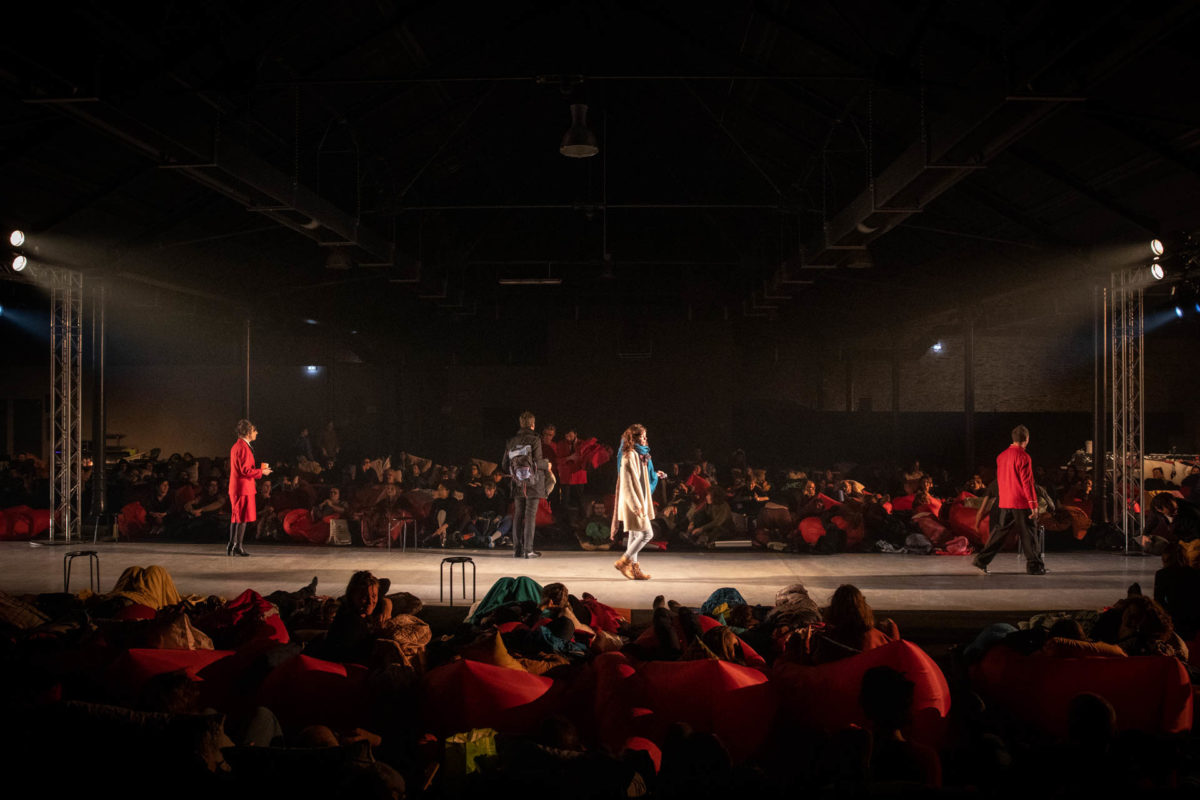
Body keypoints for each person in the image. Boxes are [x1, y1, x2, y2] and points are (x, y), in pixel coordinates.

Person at [973, 425, 1045, 575]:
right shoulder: (1024, 456)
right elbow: (1027, 483)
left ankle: (981, 560)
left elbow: (1002, 480)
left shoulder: (1001, 456)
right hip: (1021, 501)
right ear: (1027, 439)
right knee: (1029, 534)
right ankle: (1035, 567)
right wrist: (1033, 504)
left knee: (1000, 533)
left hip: (1005, 501)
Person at [612, 423, 665, 580]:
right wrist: (636, 505)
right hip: (633, 502)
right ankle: (624, 561)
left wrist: (654, 474)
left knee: (635, 535)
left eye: (645, 436)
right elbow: (627, 484)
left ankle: (634, 569)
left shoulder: (640, 454)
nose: (645, 439)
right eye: (642, 437)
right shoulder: (629, 456)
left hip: (639, 500)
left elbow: (642, 477)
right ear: (633, 438)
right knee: (647, 534)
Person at [501, 411, 545, 559]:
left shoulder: (511, 441)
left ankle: (517, 550)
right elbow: (537, 463)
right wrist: (547, 464)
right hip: (532, 483)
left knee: (518, 514)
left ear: (521, 424)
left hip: (517, 482)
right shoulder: (535, 439)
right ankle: (528, 550)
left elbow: (504, 465)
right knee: (530, 515)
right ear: (533, 425)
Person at [228, 419, 272, 556]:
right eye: (254, 430)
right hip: (242, 488)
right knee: (241, 518)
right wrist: (261, 472)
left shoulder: (237, 446)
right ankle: (237, 546)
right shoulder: (243, 447)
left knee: (237, 517)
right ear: (247, 432)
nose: (256, 433)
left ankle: (233, 545)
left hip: (239, 487)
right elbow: (245, 470)